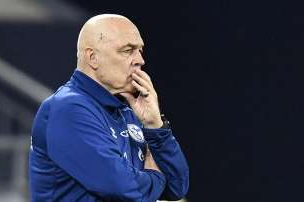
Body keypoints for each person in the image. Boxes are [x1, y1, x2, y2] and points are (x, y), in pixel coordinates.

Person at [29, 14, 189, 202]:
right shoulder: (68, 108)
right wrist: (155, 175)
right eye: (127, 50)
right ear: (93, 58)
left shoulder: (129, 108)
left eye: (140, 50)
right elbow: (121, 188)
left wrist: (155, 126)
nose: (139, 60)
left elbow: (178, 187)